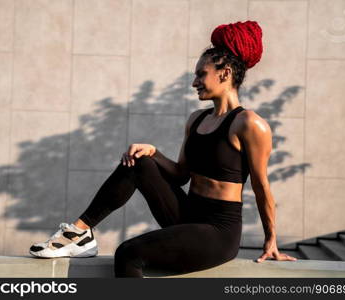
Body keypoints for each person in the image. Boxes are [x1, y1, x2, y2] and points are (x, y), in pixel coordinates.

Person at [29, 20, 297, 277]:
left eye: (201, 74)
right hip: (187, 213)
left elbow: (262, 187)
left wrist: (271, 239)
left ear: (225, 73)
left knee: (128, 253)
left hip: (218, 230)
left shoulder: (250, 124)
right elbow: (181, 175)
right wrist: (153, 153)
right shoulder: (197, 119)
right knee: (140, 161)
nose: (194, 83)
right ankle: (79, 233)